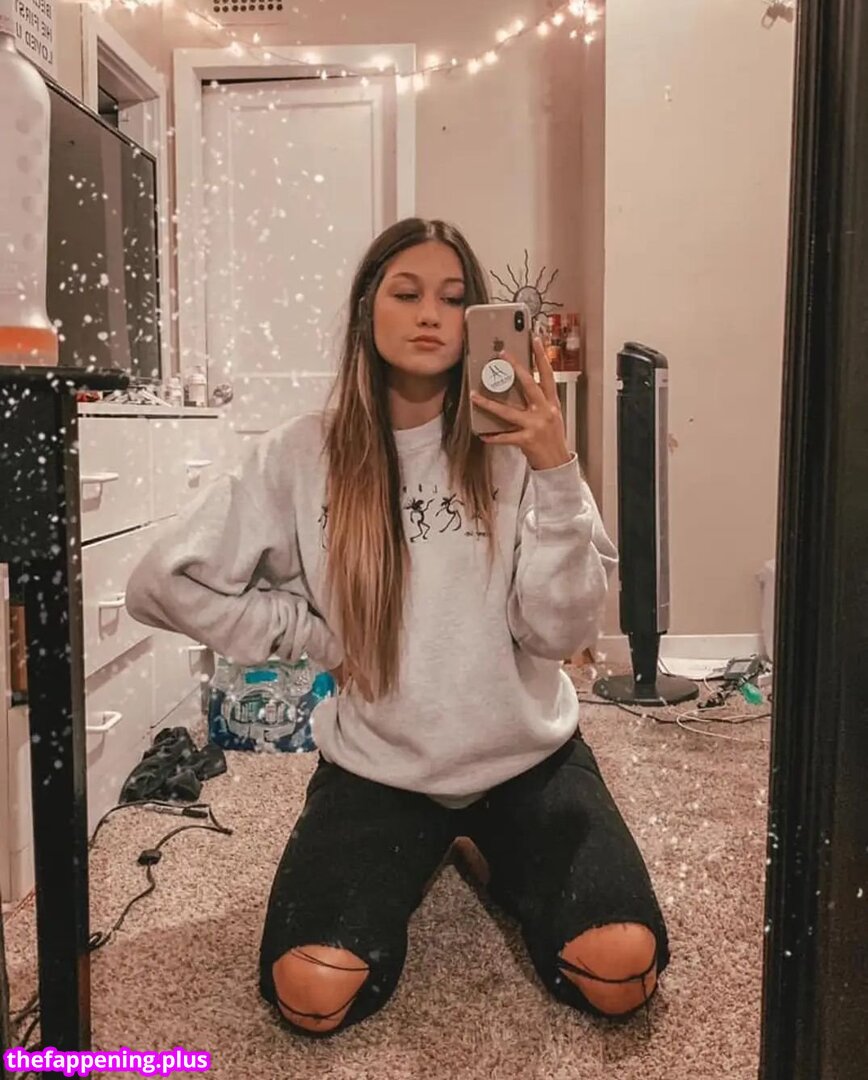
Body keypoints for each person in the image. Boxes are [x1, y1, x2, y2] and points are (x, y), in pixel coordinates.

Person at [125, 217, 670, 1039]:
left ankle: (483, 847)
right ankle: (435, 842)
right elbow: (163, 583)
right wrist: (315, 638)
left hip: (527, 758)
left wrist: (557, 468)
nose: (430, 316)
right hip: (379, 767)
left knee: (622, 970)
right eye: (406, 293)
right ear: (365, 312)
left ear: (476, 320)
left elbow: (558, 634)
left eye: (454, 300)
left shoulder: (518, 449)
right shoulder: (301, 454)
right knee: (311, 994)